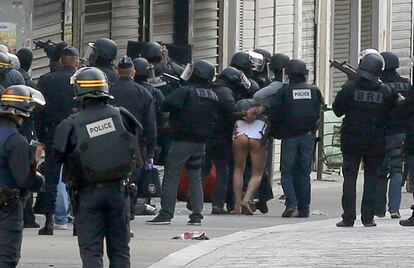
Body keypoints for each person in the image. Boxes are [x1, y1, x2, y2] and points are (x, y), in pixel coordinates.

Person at [53, 67, 143, 267]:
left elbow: (58, 155)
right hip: (120, 191)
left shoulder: (70, 124)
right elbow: (138, 138)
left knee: (91, 251)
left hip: (87, 194)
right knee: (120, 250)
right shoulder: (122, 115)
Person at [146, 60, 219, 225]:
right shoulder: (212, 94)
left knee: (172, 175)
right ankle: (196, 215)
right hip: (201, 143)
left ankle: (166, 213)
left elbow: (166, 105)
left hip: (181, 141)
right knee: (195, 177)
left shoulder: (186, 91)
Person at [333, 51, 398, 227]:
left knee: (349, 179)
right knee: (371, 180)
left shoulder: (349, 88)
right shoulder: (386, 91)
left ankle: (348, 218)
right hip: (375, 141)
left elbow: (337, 110)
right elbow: (392, 114)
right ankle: (367, 218)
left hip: (352, 140)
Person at [35, 46, 81, 235]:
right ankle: (77, 222)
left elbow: (38, 111)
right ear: (77, 62)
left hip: (53, 131)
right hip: (77, 132)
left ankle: (49, 221)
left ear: (60, 62)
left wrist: (41, 137)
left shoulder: (47, 80)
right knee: (77, 177)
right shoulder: (82, 80)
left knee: (52, 178)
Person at [0, 85, 45, 267]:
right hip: (7, 205)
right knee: (6, 255)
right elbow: (24, 179)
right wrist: (38, 178)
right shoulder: (16, 140)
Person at [111, 56, 156, 220]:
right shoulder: (144, 93)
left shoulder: (109, 90)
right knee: (132, 178)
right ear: (133, 73)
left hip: (111, 141)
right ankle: (128, 211)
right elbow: (151, 125)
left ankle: (118, 210)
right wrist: (150, 152)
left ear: (117, 72)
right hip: (135, 143)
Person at [205, 67, 248, 214]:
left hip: (207, 135)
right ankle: (217, 204)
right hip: (220, 137)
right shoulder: (224, 92)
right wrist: (244, 114)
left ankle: (193, 199)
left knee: (202, 169)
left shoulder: (211, 88)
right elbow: (231, 111)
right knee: (223, 171)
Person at [374, 52, 412, 219]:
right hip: (401, 132)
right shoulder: (406, 84)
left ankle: (379, 209)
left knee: (381, 170)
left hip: (383, 132)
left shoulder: (379, 85)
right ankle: (394, 209)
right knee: (397, 170)